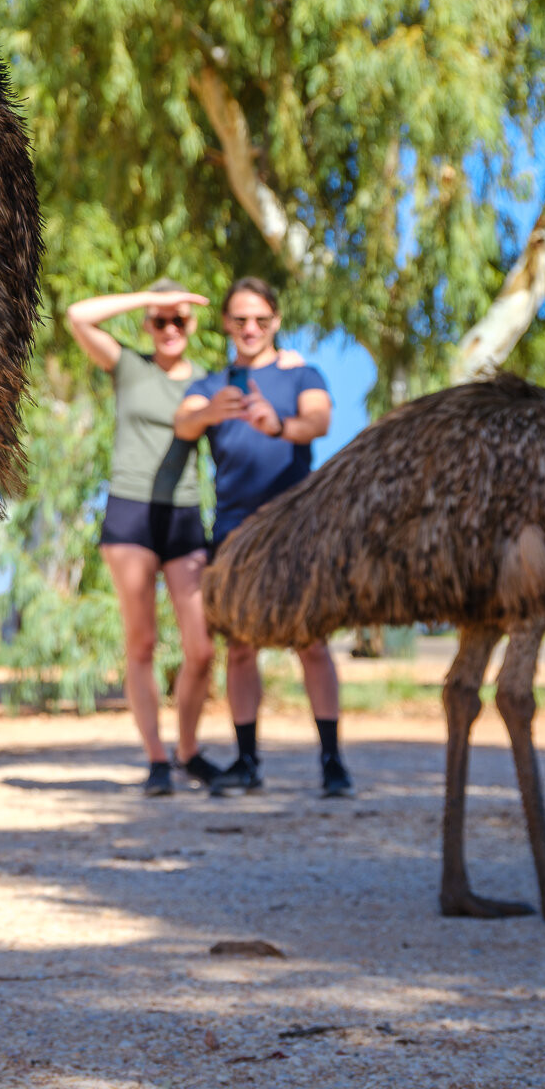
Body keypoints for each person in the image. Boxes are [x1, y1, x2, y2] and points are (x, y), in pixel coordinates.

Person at [67, 280, 307, 796]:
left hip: (183, 516)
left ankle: (188, 751)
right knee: (143, 642)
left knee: (201, 649)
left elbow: (270, 379)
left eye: (180, 320)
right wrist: (144, 298)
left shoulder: (208, 380)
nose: (171, 328)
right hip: (131, 514)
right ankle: (156, 759)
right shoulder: (130, 366)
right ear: (148, 324)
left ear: (196, 326)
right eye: (161, 320)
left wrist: (289, 361)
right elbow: (78, 316)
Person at [173, 276, 353, 799]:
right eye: (240, 319)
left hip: (295, 529)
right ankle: (248, 762)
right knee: (241, 648)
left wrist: (278, 424)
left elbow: (319, 421)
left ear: (275, 321)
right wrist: (210, 412)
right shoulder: (213, 385)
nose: (250, 328)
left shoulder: (303, 374)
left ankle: (332, 762)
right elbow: (183, 424)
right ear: (227, 324)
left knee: (311, 642)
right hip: (233, 534)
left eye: (261, 319)